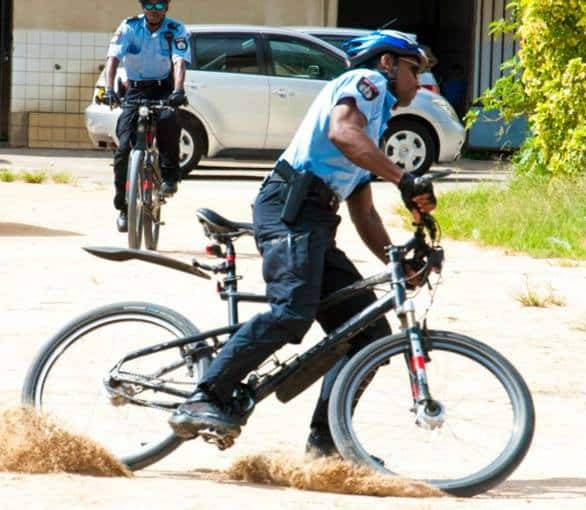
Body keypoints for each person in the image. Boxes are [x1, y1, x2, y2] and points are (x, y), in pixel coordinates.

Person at [169, 31, 437, 456]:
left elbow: (363, 211)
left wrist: (396, 261)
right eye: (414, 69)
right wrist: (403, 178)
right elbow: (341, 133)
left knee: (368, 334)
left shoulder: (375, 122)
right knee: (292, 311)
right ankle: (204, 395)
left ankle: (326, 446)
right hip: (289, 208)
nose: (419, 81)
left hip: (315, 221)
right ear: (388, 63)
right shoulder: (366, 84)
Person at [103, 0, 191, 233]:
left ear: (167, 7)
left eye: (160, 4)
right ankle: (124, 207)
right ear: (142, 6)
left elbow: (179, 61)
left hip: (164, 87)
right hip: (135, 89)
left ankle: (170, 176)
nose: (154, 9)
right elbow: (113, 58)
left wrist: (178, 90)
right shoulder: (129, 26)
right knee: (123, 149)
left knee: (169, 121)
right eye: (149, 3)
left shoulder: (176, 29)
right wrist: (109, 89)